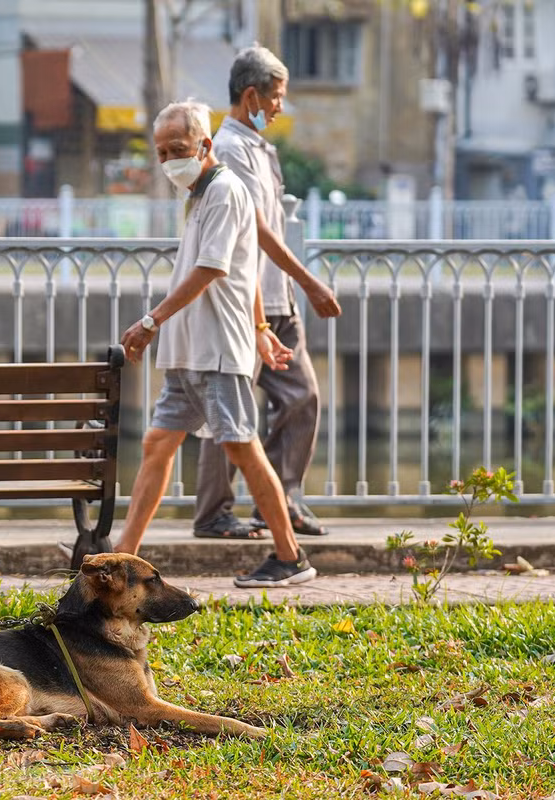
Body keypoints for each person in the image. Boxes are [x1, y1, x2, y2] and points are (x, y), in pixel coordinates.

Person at [111, 99, 317, 588]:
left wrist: (151, 320)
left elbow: (214, 269)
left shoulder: (224, 191)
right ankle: (121, 560)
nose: (168, 160)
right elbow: (245, 275)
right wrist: (263, 330)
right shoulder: (201, 196)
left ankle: (290, 557)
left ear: (205, 144)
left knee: (243, 449)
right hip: (189, 354)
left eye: (177, 148)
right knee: (157, 443)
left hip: (217, 352)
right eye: (161, 152)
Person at [191, 45, 342, 543]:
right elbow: (259, 233)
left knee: (302, 396)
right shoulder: (231, 148)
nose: (280, 106)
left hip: (276, 302)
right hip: (245, 301)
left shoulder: (260, 146)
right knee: (229, 410)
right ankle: (215, 512)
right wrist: (310, 280)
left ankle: (280, 500)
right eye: (275, 97)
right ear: (251, 95)